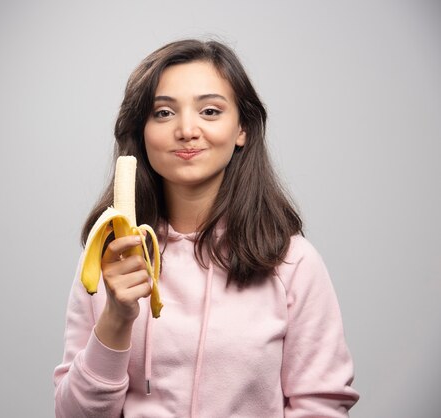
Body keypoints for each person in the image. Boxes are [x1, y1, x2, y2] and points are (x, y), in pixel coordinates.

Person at [54, 39, 359, 417]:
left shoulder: (293, 264)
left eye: (210, 111)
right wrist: (116, 317)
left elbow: (321, 405)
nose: (186, 129)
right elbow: (74, 414)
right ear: (142, 132)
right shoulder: (109, 258)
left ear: (242, 128)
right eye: (163, 113)